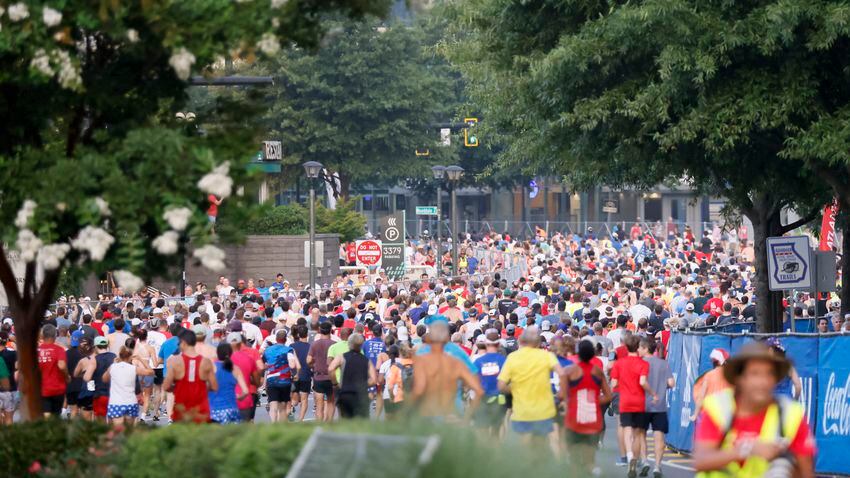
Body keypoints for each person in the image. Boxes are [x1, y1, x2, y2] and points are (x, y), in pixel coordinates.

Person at [693, 342, 815, 478]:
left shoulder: (791, 414)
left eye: (769, 374)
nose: (763, 381)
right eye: (755, 374)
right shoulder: (718, 407)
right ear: (740, 379)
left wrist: (786, 464)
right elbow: (701, 460)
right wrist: (746, 449)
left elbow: (806, 472)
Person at [498, 329, 563, 456]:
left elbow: (501, 385)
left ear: (521, 342)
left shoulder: (513, 357)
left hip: (522, 411)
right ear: (538, 343)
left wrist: (514, 389)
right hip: (544, 411)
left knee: (525, 448)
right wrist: (562, 394)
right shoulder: (546, 356)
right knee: (540, 447)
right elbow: (562, 374)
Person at [411, 320, 483, 422]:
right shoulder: (457, 357)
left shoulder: (423, 355)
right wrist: (468, 417)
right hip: (453, 412)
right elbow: (478, 389)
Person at [560, 340, 612, 475]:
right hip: (592, 417)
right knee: (590, 460)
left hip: (574, 417)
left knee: (574, 459)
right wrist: (594, 400)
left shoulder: (568, 371)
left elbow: (562, 395)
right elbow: (608, 396)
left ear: (578, 353)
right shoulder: (598, 372)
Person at [610, 334, 658, 478]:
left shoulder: (619, 363)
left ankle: (630, 456)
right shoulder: (643, 364)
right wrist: (652, 393)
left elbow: (613, 384)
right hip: (639, 401)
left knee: (627, 430)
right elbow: (643, 382)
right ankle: (636, 459)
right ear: (638, 347)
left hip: (625, 400)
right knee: (638, 433)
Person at [163, 329, 218, 423]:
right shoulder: (206, 362)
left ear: (183, 343)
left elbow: (166, 386)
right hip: (201, 410)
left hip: (182, 410)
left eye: (179, 343)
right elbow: (214, 386)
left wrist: (177, 388)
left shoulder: (174, 362)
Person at [638, 337, 674, 478]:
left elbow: (639, 382)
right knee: (659, 436)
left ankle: (645, 460)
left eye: (640, 347)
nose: (638, 350)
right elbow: (671, 383)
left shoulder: (640, 363)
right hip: (660, 405)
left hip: (643, 404)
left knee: (641, 435)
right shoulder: (664, 364)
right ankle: (658, 466)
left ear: (646, 348)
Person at [103, 340, 154, 425]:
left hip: (116, 403)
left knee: (118, 430)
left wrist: (114, 363)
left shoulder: (113, 367)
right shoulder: (133, 368)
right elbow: (151, 372)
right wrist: (141, 359)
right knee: (128, 431)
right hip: (130, 402)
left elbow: (104, 379)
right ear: (130, 357)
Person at [329, 333, 376, 418]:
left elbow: (331, 369)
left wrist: (335, 384)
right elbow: (373, 379)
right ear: (361, 345)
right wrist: (363, 384)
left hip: (346, 393)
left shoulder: (342, 357)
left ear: (349, 344)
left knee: (346, 420)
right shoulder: (366, 360)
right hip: (361, 395)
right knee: (362, 421)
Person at [473, 329, 507, 434]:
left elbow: (475, 384)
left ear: (486, 344)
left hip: (483, 401)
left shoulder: (478, 362)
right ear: (498, 344)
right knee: (496, 433)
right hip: (499, 401)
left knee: (482, 433)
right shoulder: (504, 361)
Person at [262, 329, 300, 422]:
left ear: (276, 339)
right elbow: (292, 365)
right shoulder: (288, 350)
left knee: (273, 404)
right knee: (282, 406)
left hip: (271, 380)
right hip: (285, 380)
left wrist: (269, 366)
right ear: (285, 340)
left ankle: (273, 423)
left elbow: (262, 365)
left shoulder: (267, 350)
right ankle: (280, 425)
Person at [208, 342, 249, 424]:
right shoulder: (235, 369)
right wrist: (239, 397)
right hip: (232, 409)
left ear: (217, 354)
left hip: (214, 410)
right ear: (230, 354)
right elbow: (245, 391)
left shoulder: (212, 367)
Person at [228, 332, 261, 422]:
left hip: (227, 400)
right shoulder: (249, 358)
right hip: (245, 399)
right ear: (241, 343)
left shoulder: (222, 359)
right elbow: (257, 380)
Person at [691, 348, 731, 421]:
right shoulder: (730, 376)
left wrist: (695, 414)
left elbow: (701, 396)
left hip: (709, 416)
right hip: (725, 417)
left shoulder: (709, 376)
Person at [307, 321, 335, 422]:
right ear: (330, 331)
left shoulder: (315, 344)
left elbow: (308, 360)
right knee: (331, 402)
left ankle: (320, 424)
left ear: (320, 330)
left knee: (319, 405)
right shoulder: (334, 344)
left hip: (318, 376)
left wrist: (313, 366)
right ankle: (329, 423)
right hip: (331, 377)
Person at [38, 324, 68, 418]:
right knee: (56, 415)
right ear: (55, 336)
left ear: (42, 336)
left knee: (45, 413)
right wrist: (67, 376)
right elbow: (62, 366)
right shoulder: (59, 350)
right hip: (57, 388)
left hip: (41, 388)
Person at [290, 325, 313, 422]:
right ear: (307, 334)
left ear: (298, 334)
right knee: (304, 399)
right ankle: (300, 419)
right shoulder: (310, 347)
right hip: (306, 375)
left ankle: (290, 410)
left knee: (294, 399)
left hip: (294, 375)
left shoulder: (292, 346)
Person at [0, 332, 17, 424]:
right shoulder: (12, 354)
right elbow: (18, 366)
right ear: (6, 341)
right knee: (9, 417)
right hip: (10, 389)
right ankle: (9, 437)